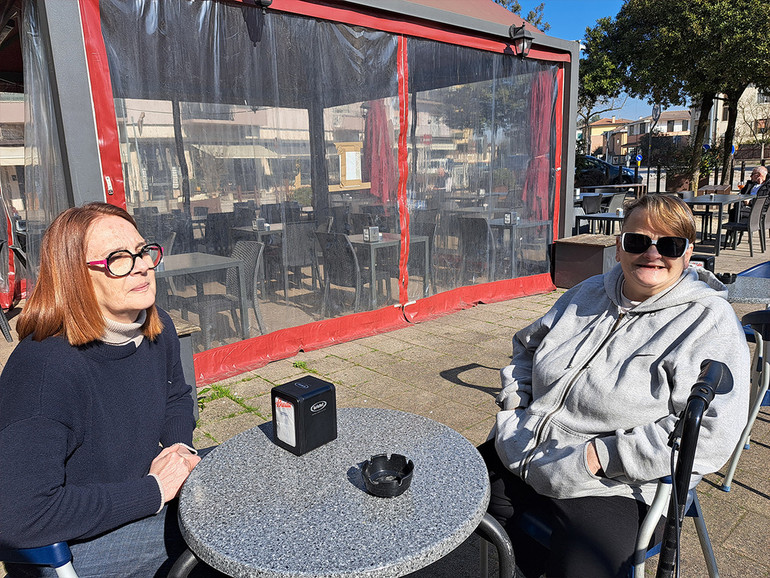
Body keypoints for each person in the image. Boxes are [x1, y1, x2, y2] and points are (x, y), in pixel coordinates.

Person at [479, 194, 750, 578]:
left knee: (587, 567)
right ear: (620, 246)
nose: (653, 254)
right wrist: (513, 405)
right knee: (454, 496)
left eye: (670, 245)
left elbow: (711, 431)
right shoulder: (587, 292)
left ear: (688, 253)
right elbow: (526, 347)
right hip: (524, 444)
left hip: (615, 484)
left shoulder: (708, 321)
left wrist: (601, 457)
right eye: (638, 241)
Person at [0, 203, 200, 577]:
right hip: (67, 547)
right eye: (117, 259)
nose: (141, 265)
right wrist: (154, 490)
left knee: (247, 486)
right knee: (220, 530)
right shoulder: (45, 369)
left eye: (143, 251)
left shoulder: (157, 327)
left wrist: (178, 446)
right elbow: (18, 517)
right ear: (75, 276)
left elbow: (175, 396)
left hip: (130, 495)